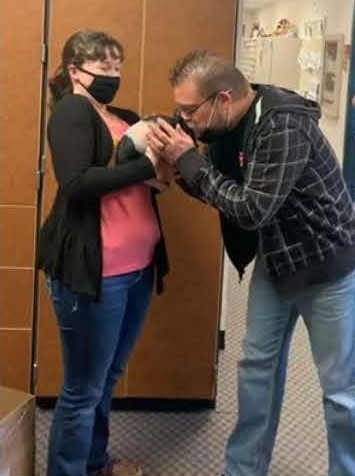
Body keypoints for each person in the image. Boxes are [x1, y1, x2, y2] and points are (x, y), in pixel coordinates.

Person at [147, 50, 355, 476]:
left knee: (341, 392)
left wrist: (190, 162)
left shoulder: (282, 123)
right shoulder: (228, 123)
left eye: (190, 110)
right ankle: (243, 470)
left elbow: (251, 210)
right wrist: (180, 163)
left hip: (327, 265)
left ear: (223, 99)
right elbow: (218, 190)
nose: (185, 120)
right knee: (256, 371)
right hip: (277, 260)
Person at [37, 30, 171, 476]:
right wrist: (146, 166)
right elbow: (76, 183)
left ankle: (94, 462)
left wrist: (162, 163)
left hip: (136, 270)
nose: (114, 76)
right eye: (104, 68)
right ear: (75, 71)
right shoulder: (73, 112)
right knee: (83, 388)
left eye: (118, 68)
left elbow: (147, 180)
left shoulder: (122, 117)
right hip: (97, 273)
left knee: (107, 378)